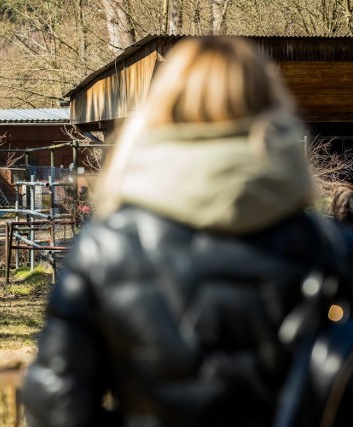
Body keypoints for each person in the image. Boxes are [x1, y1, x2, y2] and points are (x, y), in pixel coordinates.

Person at [21, 36, 353, 427]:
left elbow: (54, 405)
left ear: (161, 106)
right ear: (270, 105)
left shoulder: (106, 247)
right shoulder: (328, 247)